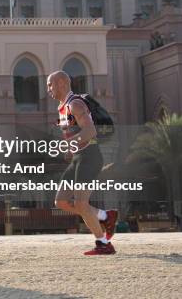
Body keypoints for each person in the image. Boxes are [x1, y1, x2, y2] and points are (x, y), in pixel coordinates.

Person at [46, 71, 118, 255]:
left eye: (50, 84)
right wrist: (69, 151)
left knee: (81, 204)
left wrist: (68, 144)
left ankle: (103, 244)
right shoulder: (62, 108)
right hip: (78, 157)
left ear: (62, 83)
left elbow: (90, 131)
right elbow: (74, 134)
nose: (48, 89)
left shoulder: (75, 104)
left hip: (90, 157)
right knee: (61, 200)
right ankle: (105, 216)